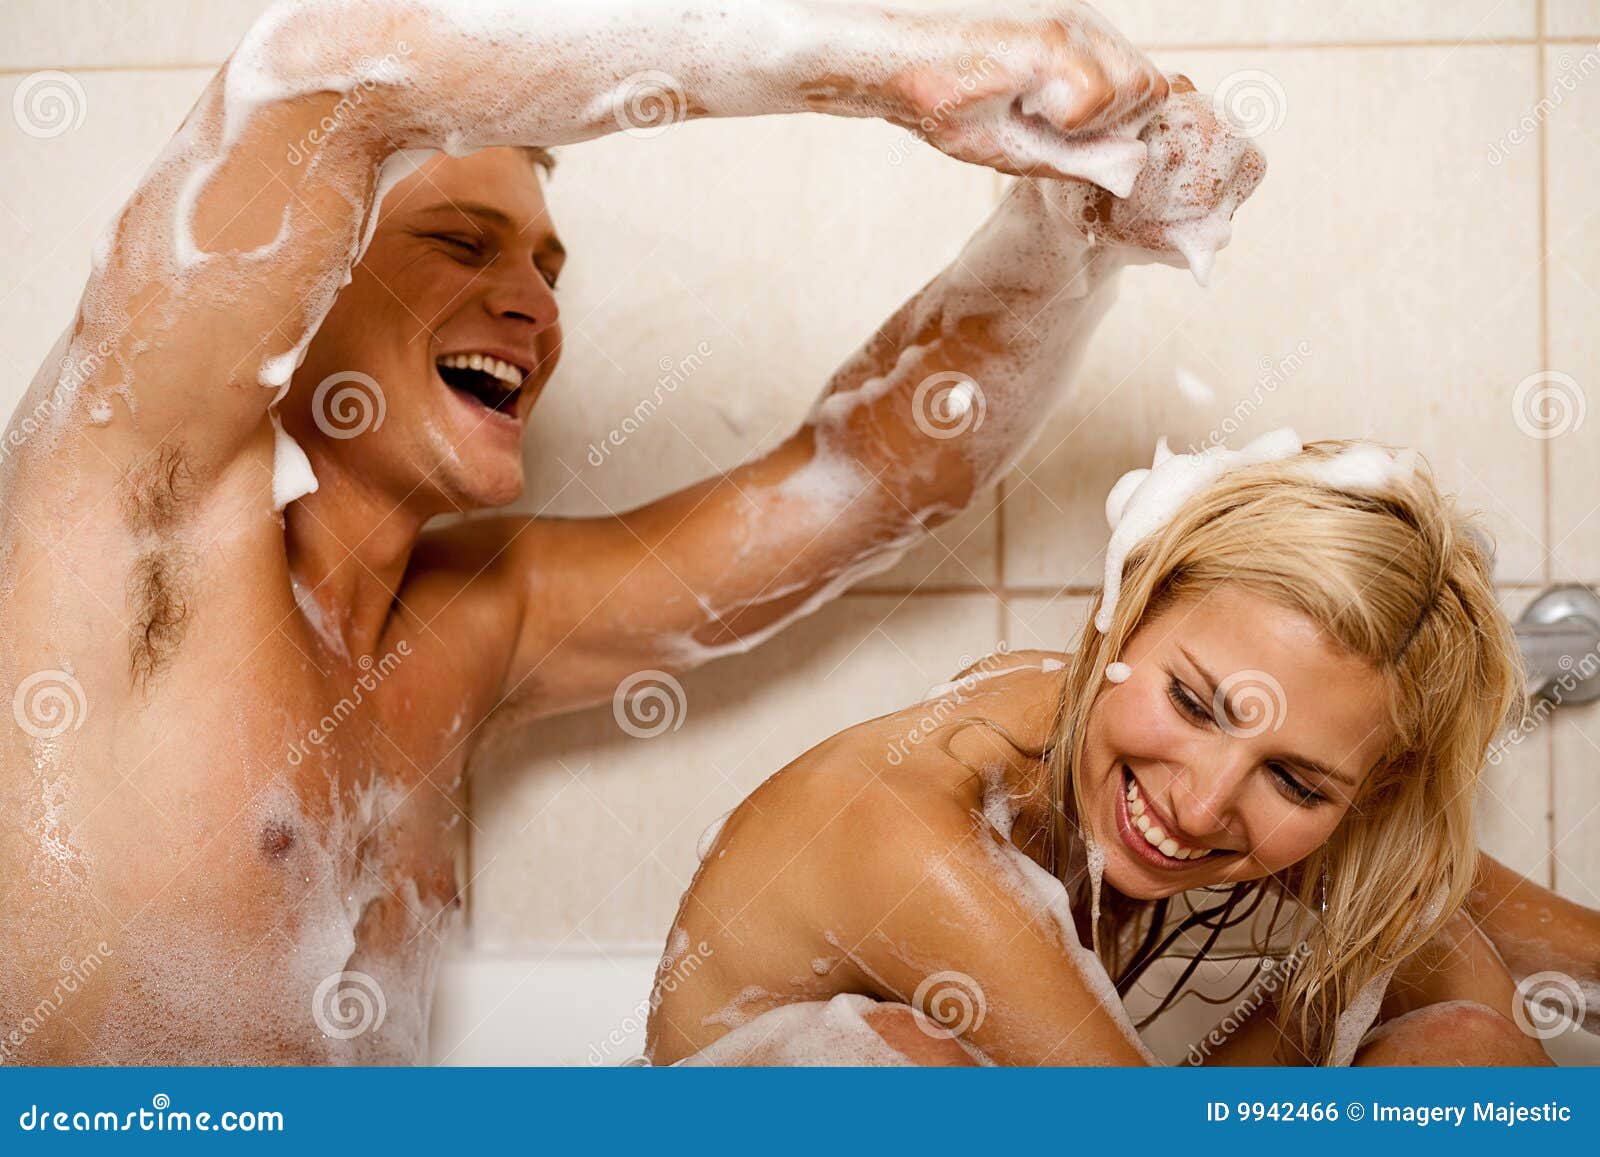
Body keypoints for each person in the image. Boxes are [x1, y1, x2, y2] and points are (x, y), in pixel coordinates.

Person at [0, 1, 1264, 1063]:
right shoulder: (132, 511)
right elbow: (333, 64)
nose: (532, 303)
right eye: (460, 241)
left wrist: (1068, 230)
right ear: (306, 286)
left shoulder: (471, 619)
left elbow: (867, 477)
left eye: (550, 268)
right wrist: (900, 66)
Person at [645, 437, 1600, 1066]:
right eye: (1194, 701)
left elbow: (1502, 999)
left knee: (1464, 1049)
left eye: (1296, 779)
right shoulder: (904, 832)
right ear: (1124, 611)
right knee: (902, 1068)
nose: (1202, 803)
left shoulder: (1140, 743)